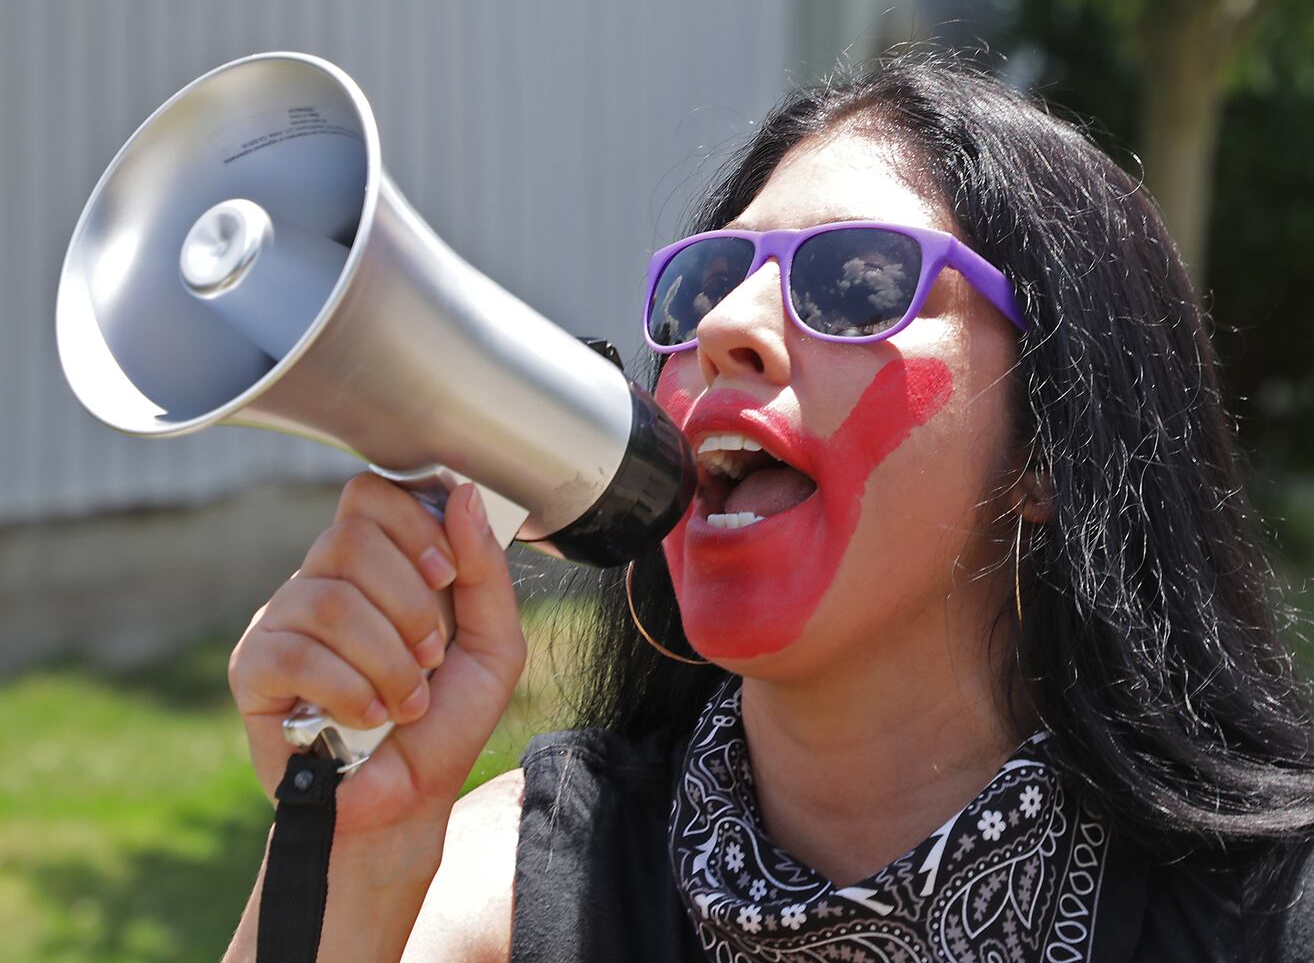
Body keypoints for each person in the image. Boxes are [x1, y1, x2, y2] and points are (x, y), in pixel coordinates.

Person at [221, 52, 1314, 962]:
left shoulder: (1268, 915)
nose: (724, 324)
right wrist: (353, 854)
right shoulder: (510, 890)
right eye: (703, 285)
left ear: (1047, 452)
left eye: (855, 281)